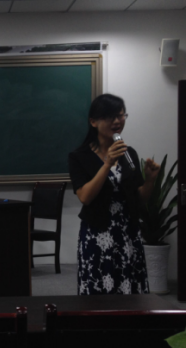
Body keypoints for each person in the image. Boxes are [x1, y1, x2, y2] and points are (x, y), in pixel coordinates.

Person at [68, 94, 160, 295]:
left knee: (130, 285)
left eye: (121, 115)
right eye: (110, 116)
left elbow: (139, 200)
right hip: (98, 233)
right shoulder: (79, 156)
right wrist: (107, 164)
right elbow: (85, 197)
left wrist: (150, 180)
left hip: (128, 232)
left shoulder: (128, 153)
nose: (117, 121)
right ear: (93, 121)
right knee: (99, 286)